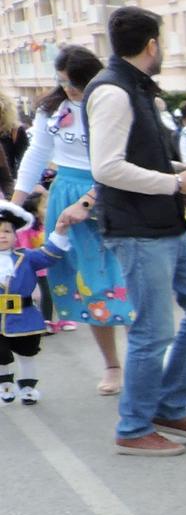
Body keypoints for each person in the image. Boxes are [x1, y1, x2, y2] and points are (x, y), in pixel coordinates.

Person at [85, 5, 186, 457]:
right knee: (153, 331)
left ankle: (168, 406)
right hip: (136, 229)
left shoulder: (139, 89)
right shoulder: (113, 92)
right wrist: (175, 183)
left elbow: (143, 157)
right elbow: (106, 168)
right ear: (152, 45)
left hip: (165, 225)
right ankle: (134, 426)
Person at [13, 44, 124, 395]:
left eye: (76, 82)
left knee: (126, 283)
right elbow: (37, 154)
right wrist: (14, 205)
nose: (70, 89)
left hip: (111, 192)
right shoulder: (53, 108)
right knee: (89, 286)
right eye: (63, 82)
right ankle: (112, 365)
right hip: (66, 196)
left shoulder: (110, 103)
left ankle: (144, 365)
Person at [0, 197, 82, 404]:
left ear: (15, 235)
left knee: (26, 354)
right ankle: (5, 387)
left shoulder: (26, 257)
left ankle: (27, 388)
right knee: (0, 357)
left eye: (7, 231)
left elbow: (49, 256)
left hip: (24, 317)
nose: (2, 236)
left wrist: (60, 232)